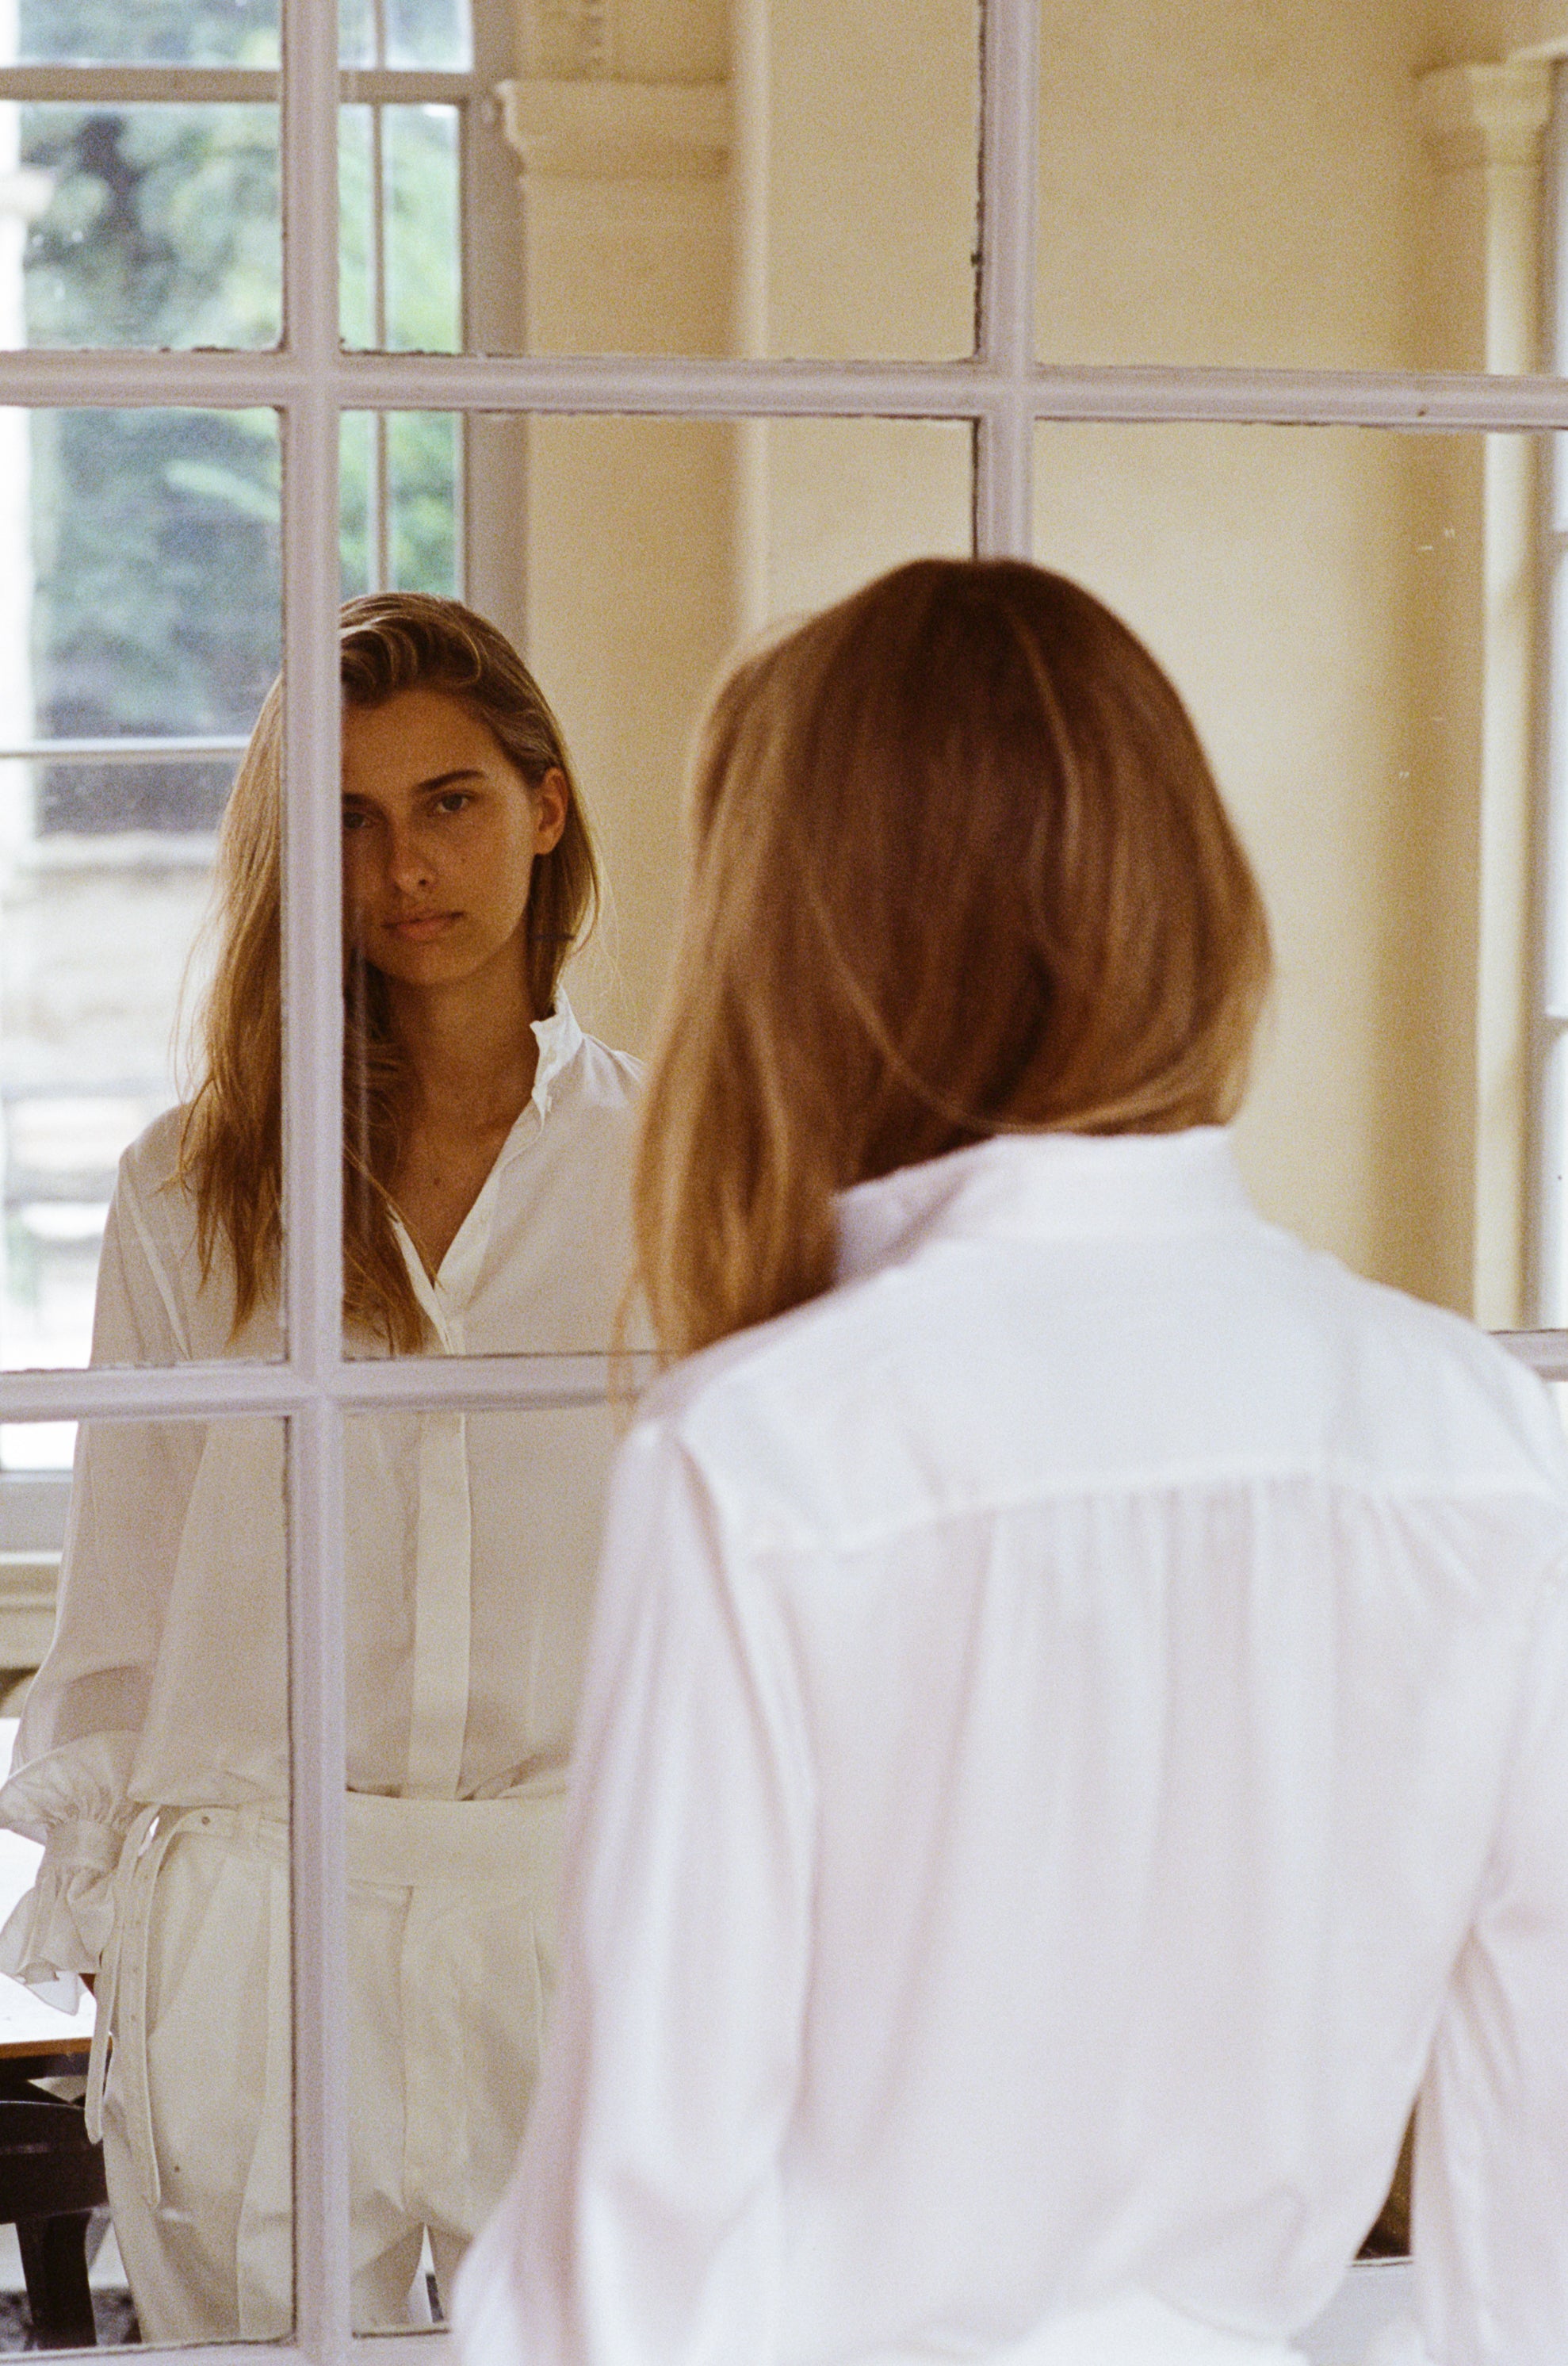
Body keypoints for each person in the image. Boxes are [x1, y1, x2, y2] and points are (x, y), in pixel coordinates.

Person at [453, 559, 1568, 2366]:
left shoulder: (764, 1462)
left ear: (796, 942)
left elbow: (626, 2262)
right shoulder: (1469, 1435)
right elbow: (1540, 2221)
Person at [0, 593, 642, 2340]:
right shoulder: (193, 1189)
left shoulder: (680, 1163)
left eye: (449, 801)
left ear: (545, 807)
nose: (404, 866)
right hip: (258, 1917)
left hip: (573, 1902)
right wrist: (139, 1934)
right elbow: (126, 1580)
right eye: (344, 819)